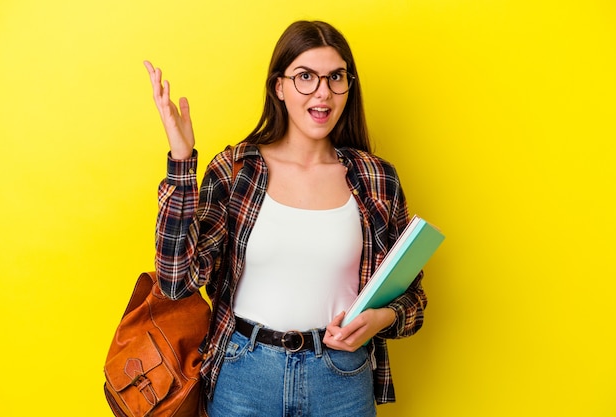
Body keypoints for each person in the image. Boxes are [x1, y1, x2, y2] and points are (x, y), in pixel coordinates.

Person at [144, 20, 427, 417]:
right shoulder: (237, 169)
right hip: (244, 373)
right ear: (279, 87)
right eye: (306, 77)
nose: (323, 93)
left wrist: (380, 318)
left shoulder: (376, 179)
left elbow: (412, 298)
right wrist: (181, 163)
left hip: (341, 378)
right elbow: (177, 281)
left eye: (335, 77)